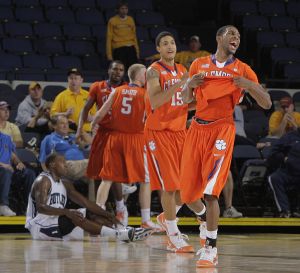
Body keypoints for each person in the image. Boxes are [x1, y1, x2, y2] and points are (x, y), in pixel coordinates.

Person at [180, 25, 271, 267]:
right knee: (187, 194)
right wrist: (189, 85)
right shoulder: (198, 65)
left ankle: (211, 247)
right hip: (197, 129)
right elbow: (187, 102)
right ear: (219, 37)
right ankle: (203, 220)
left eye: (239, 36)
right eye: (232, 34)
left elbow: (267, 102)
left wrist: (249, 85)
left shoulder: (242, 69)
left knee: (210, 192)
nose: (236, 38)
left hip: (222, 130)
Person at [91, 64, 162, 231]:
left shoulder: (117, 91)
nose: (148, 78)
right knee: (146, 180)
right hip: (136, 138)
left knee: (107, 179)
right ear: (139, 76)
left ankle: (98, 215)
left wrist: (93, 126)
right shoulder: (146, 95)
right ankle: (145, 219)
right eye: (146, 74)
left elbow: (100, 113)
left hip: (115, 138)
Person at [25, 153, 152, 241]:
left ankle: (122, 229)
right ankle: (117, 234)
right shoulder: (43, 180)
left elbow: (86, 203)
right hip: (39, 225)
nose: (66, 164)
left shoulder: (65, 184)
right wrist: (67, 212)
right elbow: (41, 207)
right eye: (62, 162)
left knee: (93, 213)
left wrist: (108, 215)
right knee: (75, 215)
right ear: (52, 165)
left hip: (57, 221)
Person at [145, 31, 194, 252]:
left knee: (189, 186)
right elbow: (155, 100)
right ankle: (173, 236)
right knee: (170, 185)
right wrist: (180, 84)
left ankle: (167, 217)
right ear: (158, 49)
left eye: (172, 42)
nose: (170, 46)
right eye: (164, 43)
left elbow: (183, 103)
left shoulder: (182, 70)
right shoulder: (153, 70)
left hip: (179, 132)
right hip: (158, 133)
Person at [76, 61, 127, 219]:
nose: (117, 72)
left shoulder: (128, 89)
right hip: (101, 134)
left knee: (113, 172)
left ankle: (120, 208)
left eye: (120, 70)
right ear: (109, 70)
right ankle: (100, 209)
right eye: (115, 69)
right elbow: (85, 109)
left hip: (119, 134)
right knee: (98, 173)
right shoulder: (97, 86)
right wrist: (79, 129)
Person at [39, 115, 91, 182]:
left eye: (67, 123)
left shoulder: (72, 137)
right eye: (62, 123)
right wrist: (50, 178)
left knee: (94, 179)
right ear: (54, 126)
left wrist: (77, 127)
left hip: (81, 167)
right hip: (67, 165)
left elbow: (90, 142)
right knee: (96, 163)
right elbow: (43, 161)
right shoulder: (49, 138)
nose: (65, 126)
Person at [0, 132, 36, 216]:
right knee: (6, 171)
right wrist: (3, 165)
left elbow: (12, 156)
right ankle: (3, 205)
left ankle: (29, 207)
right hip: (4, 170)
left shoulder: (6, 137)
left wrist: (19, 163)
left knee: (29, 173)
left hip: (9, 169)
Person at [50, 68, 96, 133]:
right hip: (69, 133)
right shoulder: (61, 96)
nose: (73, 81)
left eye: (76, 78)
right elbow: (52, 115)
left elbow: (96, 116)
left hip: (87, 132)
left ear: (81, 80)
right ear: (68, 80)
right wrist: (65, 114)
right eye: (71, 78)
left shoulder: (89, 95)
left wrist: (90, 118)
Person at [268, 128, 300, 218]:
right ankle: (284, 210)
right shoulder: (289, 136)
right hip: (288, 171)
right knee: (274, 178)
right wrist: (284, 158)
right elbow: (273, 152)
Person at [106, 1, 139, 69]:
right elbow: (109, 38)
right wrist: (109, 54)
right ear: (118, 10)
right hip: (119, 49)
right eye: (122, 8)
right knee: (121, 70)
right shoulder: (112, 20)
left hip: (131, 48)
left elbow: (134, 36)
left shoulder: (130, 20)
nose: (124, 11)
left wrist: (137, 51)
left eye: (126, 8)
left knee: (133, 70)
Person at [146, 35, 210, 69]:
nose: (193, 44)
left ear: (200, 44)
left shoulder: (205, 54)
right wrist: (154, 56)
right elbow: (168, 55)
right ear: (189, 44)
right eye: (192, 42)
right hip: (184, 77)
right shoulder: (183, 54)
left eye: (196, 42)